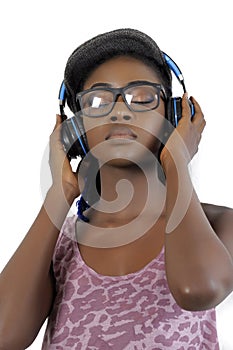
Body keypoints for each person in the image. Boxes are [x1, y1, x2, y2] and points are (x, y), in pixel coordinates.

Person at [0, 28, 232, 350]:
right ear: (76, 129)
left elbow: (197, 289)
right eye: (97, 101)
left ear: (175, 116)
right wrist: (60, 193)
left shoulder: (219, 224)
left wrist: (177, 160)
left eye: (142, 98)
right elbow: (4, 335)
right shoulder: (58, 243)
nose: (119, 111)